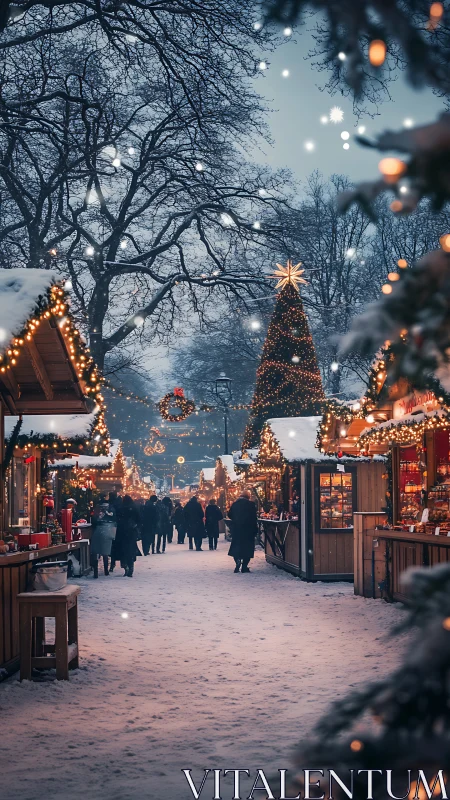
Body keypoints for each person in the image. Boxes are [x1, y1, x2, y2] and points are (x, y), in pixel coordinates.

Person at [228, 490, 258, 573]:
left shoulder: (235, 504)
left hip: (237, 529)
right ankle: (244, 566)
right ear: (248, 497)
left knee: (236, 546)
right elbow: (254, 517)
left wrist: (236, 519)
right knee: (247, 548)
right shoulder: (251, 505)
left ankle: (237, 560)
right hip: (248, 529)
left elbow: (229, 515)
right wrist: (255, 529)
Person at [90, 496, 116, 577]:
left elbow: (93, 521)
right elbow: (114, 520)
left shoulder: (97, 510)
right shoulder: (111, 510)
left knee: (95, 552)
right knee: (105, 552)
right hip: (107, 531)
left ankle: (96, 572)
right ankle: (106, 570)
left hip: (97, 531)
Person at [114, 495, 141, 576]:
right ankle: (131, 565)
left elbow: (116, 519)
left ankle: (125, 566)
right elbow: (139, 519)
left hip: (121, 532)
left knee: (123, 550)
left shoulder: (120, 508)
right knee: (130, 549)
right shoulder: (134, 508)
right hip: (131, 532)